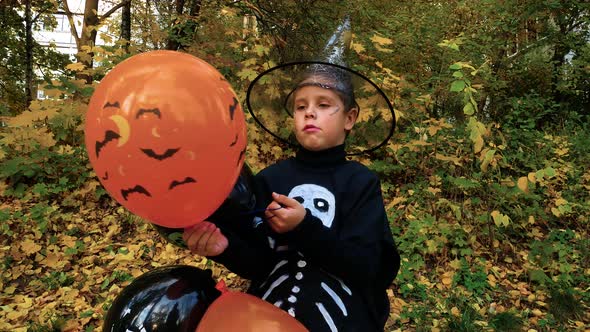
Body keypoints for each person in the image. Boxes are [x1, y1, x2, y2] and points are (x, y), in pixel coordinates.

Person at [183, 64, 400, 331]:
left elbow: (368, 268)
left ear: (349, 118)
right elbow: (260, 265)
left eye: (323, 105)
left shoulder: (360, 182)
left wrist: (304, 227)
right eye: (300, 106)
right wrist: (226, 249)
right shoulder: (270, 179)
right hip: (266, 317)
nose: (309, 112)